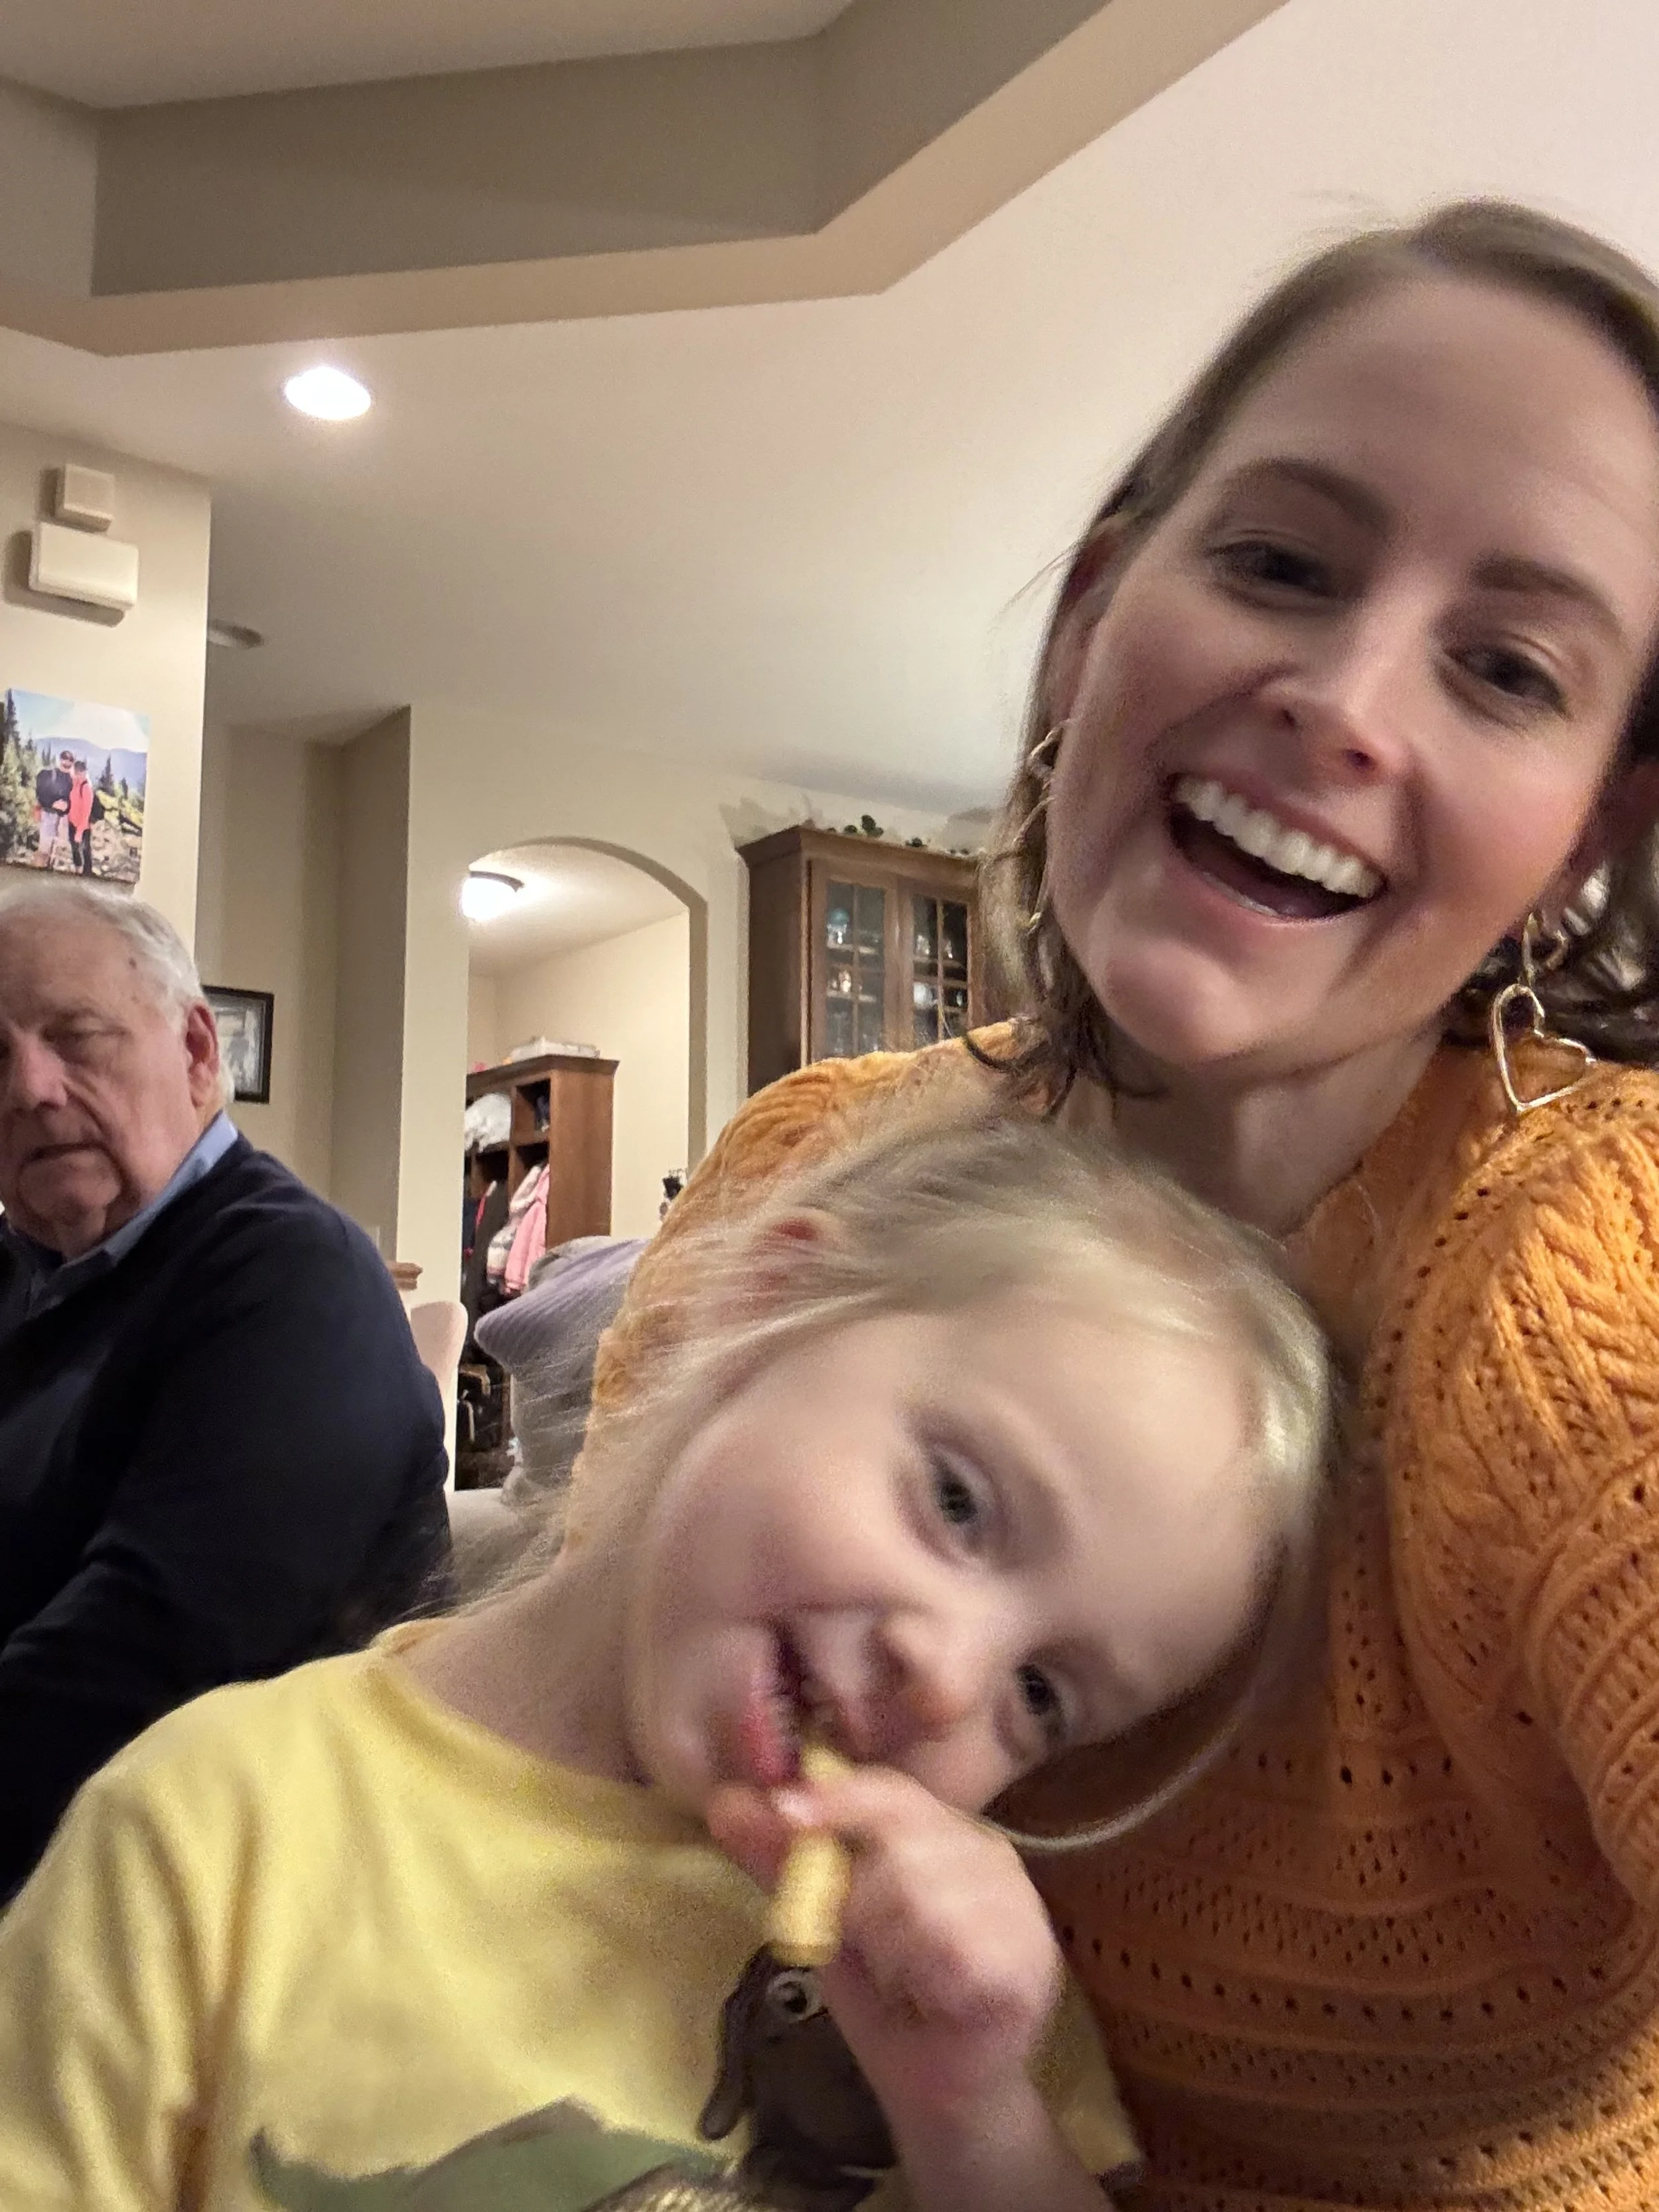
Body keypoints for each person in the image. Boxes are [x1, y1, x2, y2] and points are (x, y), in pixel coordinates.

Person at [573, 200, 1659, 2210]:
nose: (1341, 700)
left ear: (1587, 827)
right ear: (1089, 615)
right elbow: (533, 1797)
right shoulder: (798, 1167)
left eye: (1503, 667)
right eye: (1273, 561)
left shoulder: (1595, 1281)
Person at [0, 1111, 1331, 2212]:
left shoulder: (948, 1983)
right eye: (960, 1503)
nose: (947, 1682)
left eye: (1040, 1695)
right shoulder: (212, 1828)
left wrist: (968, 2111)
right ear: (769, 1305)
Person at [0, 877, 449, 1900]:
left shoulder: (295, 1278)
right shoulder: (24, 1267)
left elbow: (148, 1659)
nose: (30, 1089)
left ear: (201, 1053)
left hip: (226, 1895)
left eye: (76, 1038)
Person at [32, 746, 72, 869]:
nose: (67, 764)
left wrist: (66, 806)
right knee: (45, 846)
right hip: (49, 814)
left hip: (61, 818)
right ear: (61, 760)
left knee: (55, 848)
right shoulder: (50, 775)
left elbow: (69, 798)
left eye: (70, 763)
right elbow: (41, 794)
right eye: (65, 761)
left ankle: (48, 870)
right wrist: (52, 804)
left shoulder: (69, 780)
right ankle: (37, 871)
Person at [66, 757, 97, 875]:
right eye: (77, 773)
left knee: (85, 849)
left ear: (84, 772)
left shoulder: (86, 787)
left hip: (83, 825)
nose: (78, 775)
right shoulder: (75, 783)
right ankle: (78, 868)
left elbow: (86, 812)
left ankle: (87, 872)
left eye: (80, 773)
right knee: (74, 847)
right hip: (72, 821)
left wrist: (80, 831)